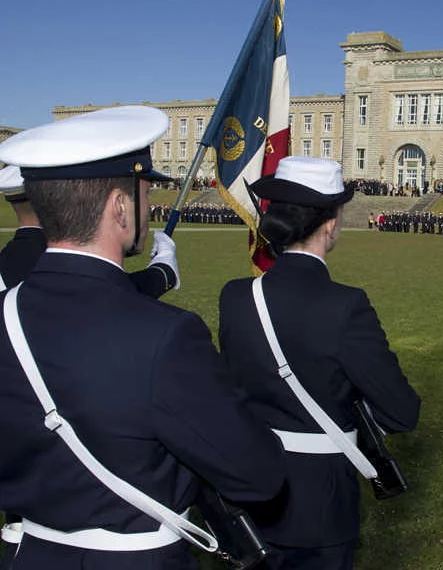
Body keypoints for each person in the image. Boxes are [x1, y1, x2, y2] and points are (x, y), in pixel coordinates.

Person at [0, 106, 285, 569]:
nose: (148, 206)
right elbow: (258, 475)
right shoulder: (164, 335)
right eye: (145, 193)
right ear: (118, 206)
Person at [218, 156, 421, 568]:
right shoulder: (346, 305)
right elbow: (402, 411)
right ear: (330, 225)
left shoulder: (235, 296)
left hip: (252, 483)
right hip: (319, 500)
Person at [0, 165, 180, 296]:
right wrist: (165, 270)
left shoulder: (8, 260)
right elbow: (109, 298)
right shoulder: (60, 260)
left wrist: (163, 269)